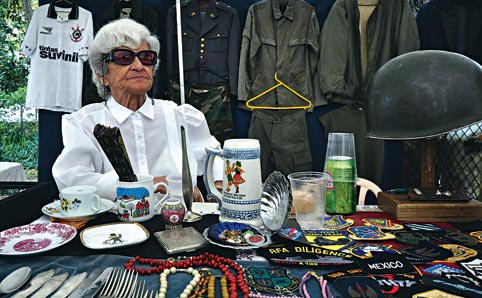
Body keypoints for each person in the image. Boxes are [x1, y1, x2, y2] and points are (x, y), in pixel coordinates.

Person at [52, 19, 222, 201]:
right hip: (112, 227)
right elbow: (72, 182)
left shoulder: (181, 116)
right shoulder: (85, 123)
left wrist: (218, 187)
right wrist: (149, 183)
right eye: (124, 58)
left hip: (178, 224)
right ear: (102, 75)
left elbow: (216, 159)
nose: (139, 66)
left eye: (146, 58)